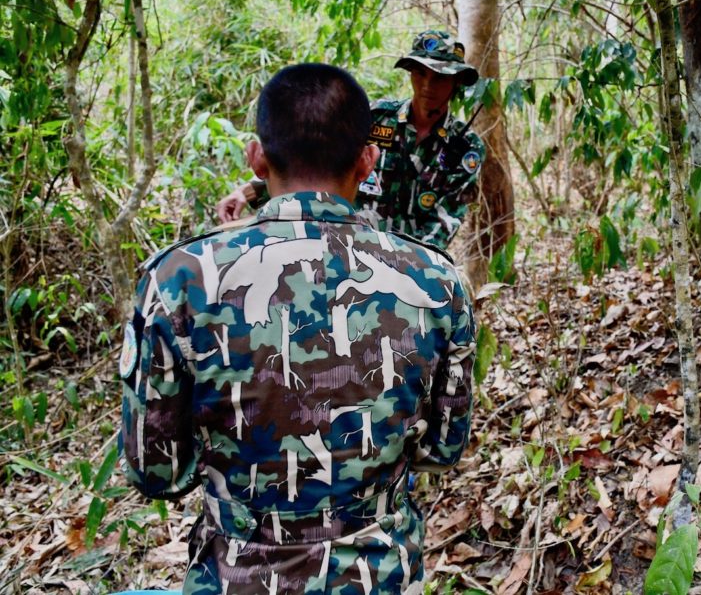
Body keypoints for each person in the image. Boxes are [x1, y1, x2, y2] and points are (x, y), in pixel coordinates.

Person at [119, 63, 475, 593]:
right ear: (367, 162)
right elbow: (443, 450)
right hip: (380, 575)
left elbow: (158, 472)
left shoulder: (179, 279)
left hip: (235, 575)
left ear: (257, 158)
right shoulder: (437, 281)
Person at [217, 30, 486, 250]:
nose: (428, 85)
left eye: (440, 78)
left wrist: (410, 268)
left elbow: (446, 220)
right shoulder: (376, 117)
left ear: (456, 82)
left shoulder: (465, 147)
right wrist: (247, 192)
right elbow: (312, 161)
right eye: (420, 73)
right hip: (344, 247)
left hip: (409, 265)